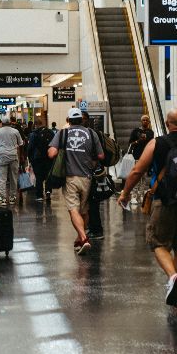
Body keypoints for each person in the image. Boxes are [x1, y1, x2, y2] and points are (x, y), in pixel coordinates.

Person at [120, 108, 177, 308]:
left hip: (164, 200)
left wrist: (125, 193)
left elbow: (136, 171)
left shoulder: (156, 143)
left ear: (167, 124)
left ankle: (172, 276)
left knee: (157, 242)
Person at [48, 108, 108, 254]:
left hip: (70, 178)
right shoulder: (91, 133)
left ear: (68, 120)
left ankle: (83, 237)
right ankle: (79, 239)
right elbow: (101, 156)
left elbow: (52, 153)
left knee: (73, 210)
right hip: (87, 177)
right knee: (84, 210)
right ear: (82, 120)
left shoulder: (63, 133)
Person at [0, 114, 25, 209]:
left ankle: (3, 199)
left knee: (2, 178)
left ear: (1, 123)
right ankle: (12, 197)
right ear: (9, 122)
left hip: (2, 156)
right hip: (13, 156)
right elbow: (21, 144)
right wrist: (21, 155)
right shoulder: (15, 131)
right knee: (13, 177)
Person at [27, 122, 54, 207]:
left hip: (37, 158)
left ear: (36, 125)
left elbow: (30, 147)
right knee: (48, 175)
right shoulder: (50, 132)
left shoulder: (34, 134)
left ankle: (39, 195)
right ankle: (48, 191)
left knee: (39, 176)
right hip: (49, 157)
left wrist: (30, 158)